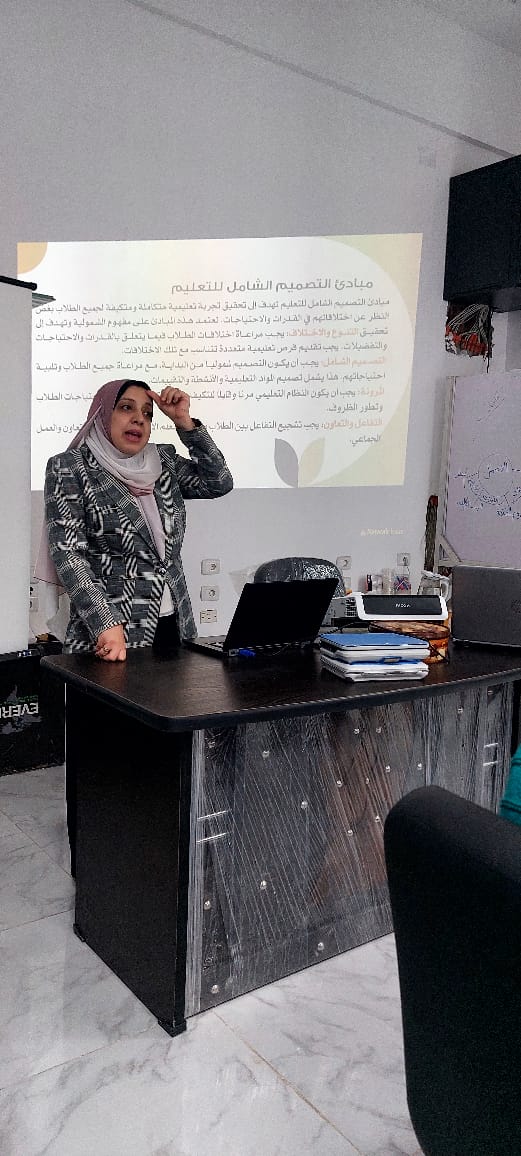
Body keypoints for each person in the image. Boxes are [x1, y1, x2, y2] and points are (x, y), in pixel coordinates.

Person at [39, 378, 233, 660]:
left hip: (175, 627)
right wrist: (106, 623)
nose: (139, 419)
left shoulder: (164, 461)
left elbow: (218, 482)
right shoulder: (70, 467)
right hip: (110, 634)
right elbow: (69, 554)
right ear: (103, 413)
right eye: (126, 408)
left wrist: (184, 423)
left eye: (147, 413)